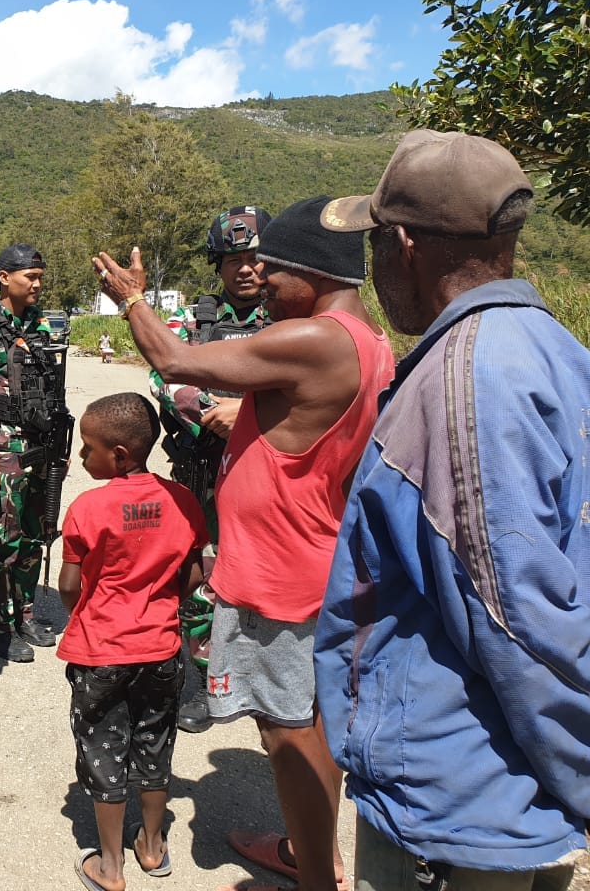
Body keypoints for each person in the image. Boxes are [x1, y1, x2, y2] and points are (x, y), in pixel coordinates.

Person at [314, 130, 589, 890]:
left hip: (459, 804)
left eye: (374, 242)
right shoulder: (558, 350)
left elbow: (516, 619)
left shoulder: (461, 382)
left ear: (403, 246)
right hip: (511, 796)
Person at [95, 195, 394, 891]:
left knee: (286, 732)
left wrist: (133, 299)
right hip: (311, 552)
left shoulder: (318, 338)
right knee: (308, 721)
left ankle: (317, 875)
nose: (263, 282)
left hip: (280, 572)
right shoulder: (368, 339)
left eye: (273, 269)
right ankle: (309, 852)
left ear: (310, 273)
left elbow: (172, 358)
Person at [58, 392, 206, 891]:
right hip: (161, 649)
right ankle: (152, 845)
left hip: (101, 651)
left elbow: (69, 585)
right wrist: (162, 602)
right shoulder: (182, 500)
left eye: (88, 448)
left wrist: (84, 614)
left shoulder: (87, 507)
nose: (82, 456)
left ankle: (110, 865)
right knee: (155, 742)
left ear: (119, 455)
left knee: (103, 747)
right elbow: (194, 573)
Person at [149, 206, 273, 735]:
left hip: (273, 474)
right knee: (201, 575)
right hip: (205, 470)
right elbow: (164, 373)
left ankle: (269, 681)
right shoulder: (192, 320)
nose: (246, 269)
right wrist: (210, 411)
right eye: (233, 260)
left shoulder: (292, 317)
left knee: (273, 577)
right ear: (217, 266)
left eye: (255, 258)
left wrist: (245, 413)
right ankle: (201, 680)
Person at [0, 243, 68, 663]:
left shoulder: (42, 324)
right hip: (5, 445)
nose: (38, 284)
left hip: (41, 444)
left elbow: (54, 383)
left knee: (33, 534)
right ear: (5, 277)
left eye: (41, 276)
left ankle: (23, 614)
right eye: (31, 276)